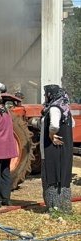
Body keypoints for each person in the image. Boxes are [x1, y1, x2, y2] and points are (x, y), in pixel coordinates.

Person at [40, 85, 74, 214]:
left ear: (50, 94)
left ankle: (54, 208)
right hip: (64, 150)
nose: (44, 96)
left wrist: (51, 134)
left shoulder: (54, 108)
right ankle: (63, 207)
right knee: (63, 176)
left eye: (45, 94)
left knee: (51, 176)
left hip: (52, 150)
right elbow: (73, 124)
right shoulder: (65, 108)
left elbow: (54, 124)